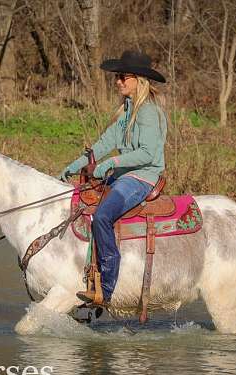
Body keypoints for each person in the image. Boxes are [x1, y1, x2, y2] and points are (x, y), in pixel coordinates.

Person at [59, 50, 167, 305]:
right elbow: (102, 144)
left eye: (122, 77)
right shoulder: (126, 113)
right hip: (123, 176)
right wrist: (71, 167)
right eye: (117, 77)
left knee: (103, 216)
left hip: (141, 178)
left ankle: (106, 287)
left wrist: (111, 163)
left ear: (138, 79)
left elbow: (148, 153)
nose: (117, 81)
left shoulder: (149, 112)